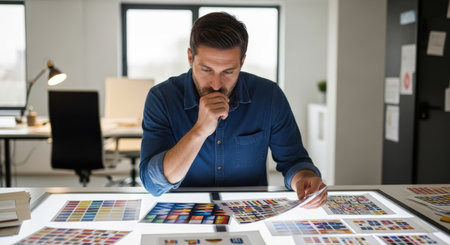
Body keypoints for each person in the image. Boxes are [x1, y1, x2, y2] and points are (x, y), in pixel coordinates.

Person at [140, 12, 327, 208]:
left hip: (250, 214)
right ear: (190, 57)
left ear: (242, 62)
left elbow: (294, 161)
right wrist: (199, 131)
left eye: (228, 71)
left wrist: (304, 179)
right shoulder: (161, 98)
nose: (215, 84)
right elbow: (153, 184)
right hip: (182, 214)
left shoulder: (269, 96)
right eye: (206, 70)